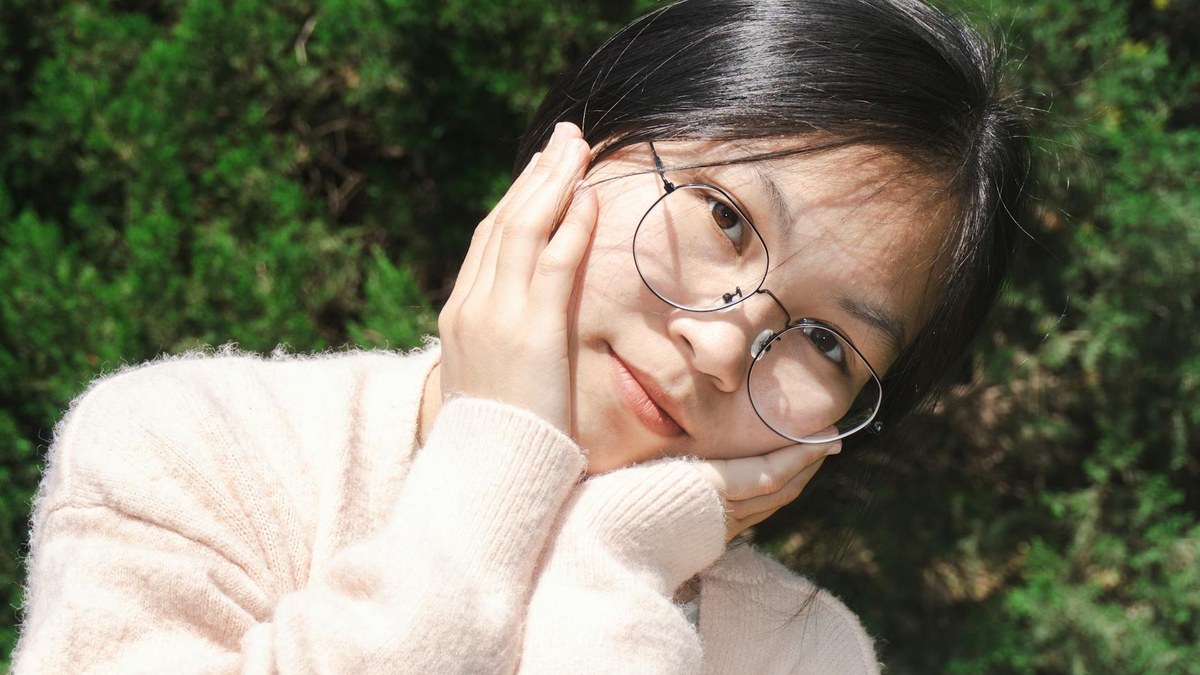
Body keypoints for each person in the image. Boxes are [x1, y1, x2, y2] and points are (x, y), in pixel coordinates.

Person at [12, 0, 1030, 672]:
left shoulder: (802, 655)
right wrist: (497, 466)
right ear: (575, 147)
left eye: (826, 341)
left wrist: (608, 557)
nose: (725, 351)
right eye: (724, 218)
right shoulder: (187, 449)